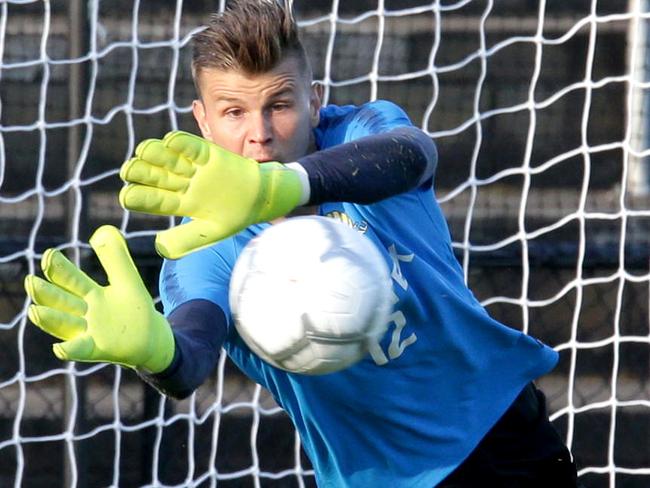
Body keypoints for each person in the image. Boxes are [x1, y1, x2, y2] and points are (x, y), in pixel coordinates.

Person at [24, 1, 579, 486]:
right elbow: (192, 350)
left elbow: (413, 153)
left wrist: (280, 186)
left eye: (279, 105)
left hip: (508, 441)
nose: (259, 133)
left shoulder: (362, 133)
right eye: (234, 112)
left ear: (315, 100)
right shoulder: (203, 247)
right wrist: (157, 350)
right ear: (202, 121)